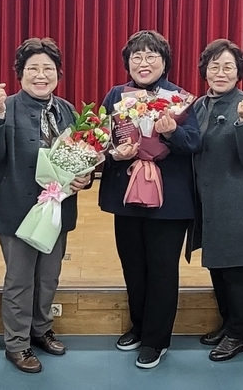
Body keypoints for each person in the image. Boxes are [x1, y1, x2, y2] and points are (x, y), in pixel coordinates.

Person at [0, 37, 90, 374]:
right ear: (20, 74)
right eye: (33, 69)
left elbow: (79, 157)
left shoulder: (67, 110)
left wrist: (84, 177)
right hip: (16, 209)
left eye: (48, 69)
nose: (41, 75)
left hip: (56, 208)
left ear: (58, 73)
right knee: (21, 279)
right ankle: (17, 344)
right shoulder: (5, 107)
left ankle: (40, 330)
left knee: (49, 278)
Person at [99, 30, 200, 369]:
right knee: (133, 267)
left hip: (170, 200)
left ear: (164, 62)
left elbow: (193, 143)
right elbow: (100, 142)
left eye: (151, 56)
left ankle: (157, 341)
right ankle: (139, 327)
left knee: (161, 271)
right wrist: (117, 153)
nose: (144, 63)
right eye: (137, 57)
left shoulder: (181, 99)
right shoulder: (116, 95)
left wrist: (171, 132)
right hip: (126, 196)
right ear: (128, 63)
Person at [189, 39, 243, 362]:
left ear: (239, 72)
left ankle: (239, 334)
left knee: (236, 271)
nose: (220, 72)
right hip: (209, 202)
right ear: (204, 70)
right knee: (217, 267)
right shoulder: (198, 105)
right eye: (214, 66)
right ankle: (228, 324)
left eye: (228, 67)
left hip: (238, 203)